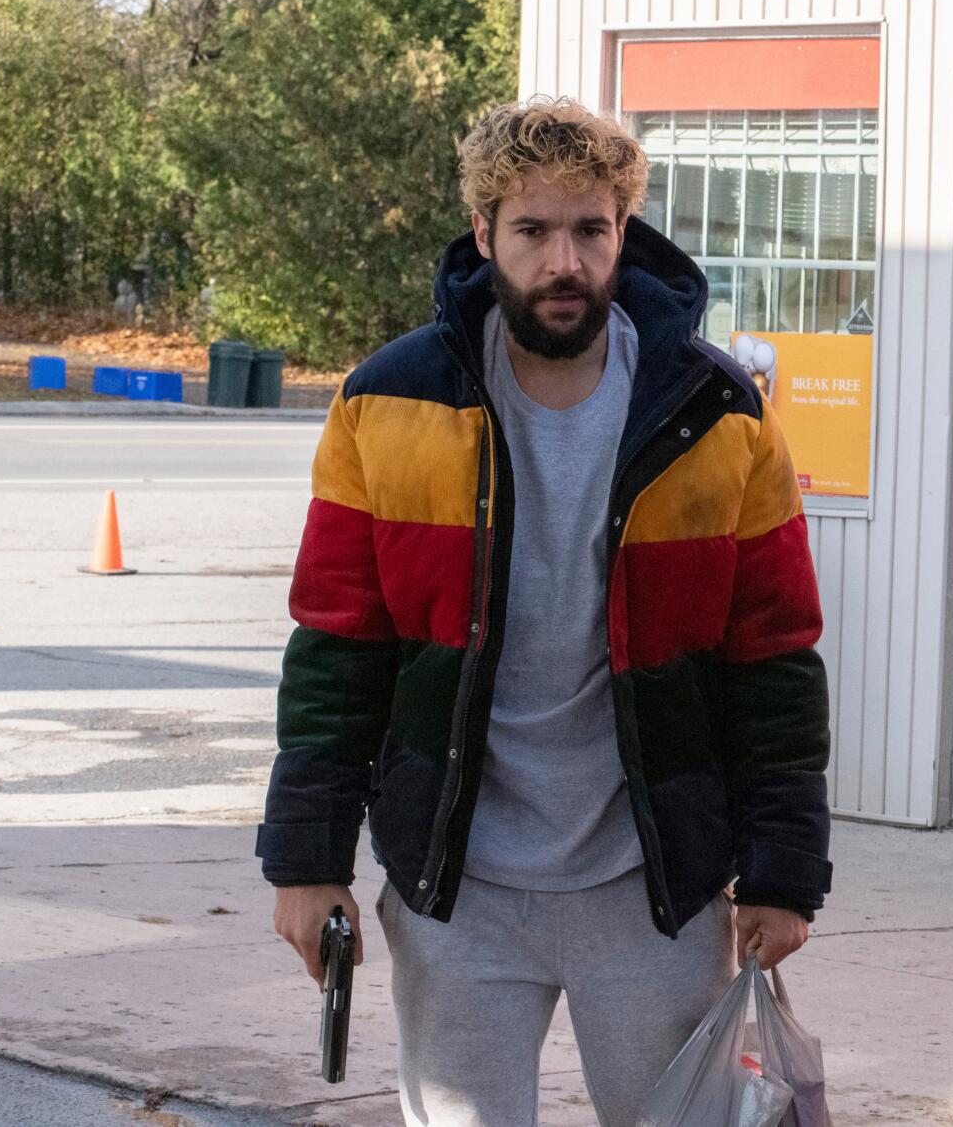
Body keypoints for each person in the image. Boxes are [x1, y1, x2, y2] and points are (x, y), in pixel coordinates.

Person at [256, 98, 834, 1127]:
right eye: (531, 230)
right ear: (484, 236)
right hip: (457, 889)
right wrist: (306, 860)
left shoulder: (719, 413)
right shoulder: (385, 403)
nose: (563, 260)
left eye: (589, 230)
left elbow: (773, 653)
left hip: (652, 887)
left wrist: (782, 870)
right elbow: (339, 643)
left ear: (624, 233)